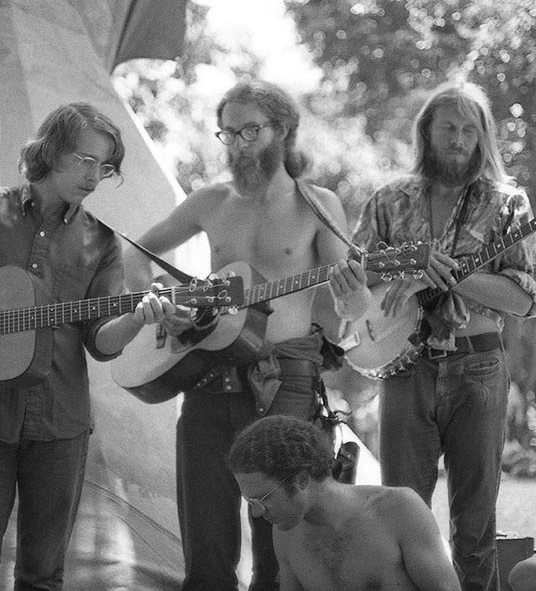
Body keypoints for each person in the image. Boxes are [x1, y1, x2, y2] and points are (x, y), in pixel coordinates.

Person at [129, 80, 369, 591]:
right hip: (207, 373)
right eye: (229, 132)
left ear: (282, 131)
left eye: (250, 130)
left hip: (285, 379)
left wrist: (355, 299)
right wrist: (162, 304)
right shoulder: (209, 202)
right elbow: (135, 253)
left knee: (280, 536)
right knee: (206, 529)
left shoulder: (317, 205)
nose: (238, 144)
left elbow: (350, 307)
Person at [0, 102, 175, 590]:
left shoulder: (102, 242)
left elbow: (102, 343)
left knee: (43, 576)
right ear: (51, 151)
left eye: (105, 167)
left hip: (61, 425)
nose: (95, 176)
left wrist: (135, 319)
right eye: (86, 160)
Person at [332, 80, 536, 590]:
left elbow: (525, 299)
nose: (460, 138)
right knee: (402, 512)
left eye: (471, 129)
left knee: (475, 525)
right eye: (449, 126)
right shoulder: (388, 199)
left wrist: (440, 273)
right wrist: (401, 273)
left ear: (484, 137)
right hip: (405, 367)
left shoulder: (509, 203)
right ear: (426, 131)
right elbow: (355, 278)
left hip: (479, 365)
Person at [228, 414, 462, 591]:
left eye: (262, 499)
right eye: (250, 501)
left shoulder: (399, 509)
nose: (257, 513)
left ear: (301, 480)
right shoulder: (287, 533)